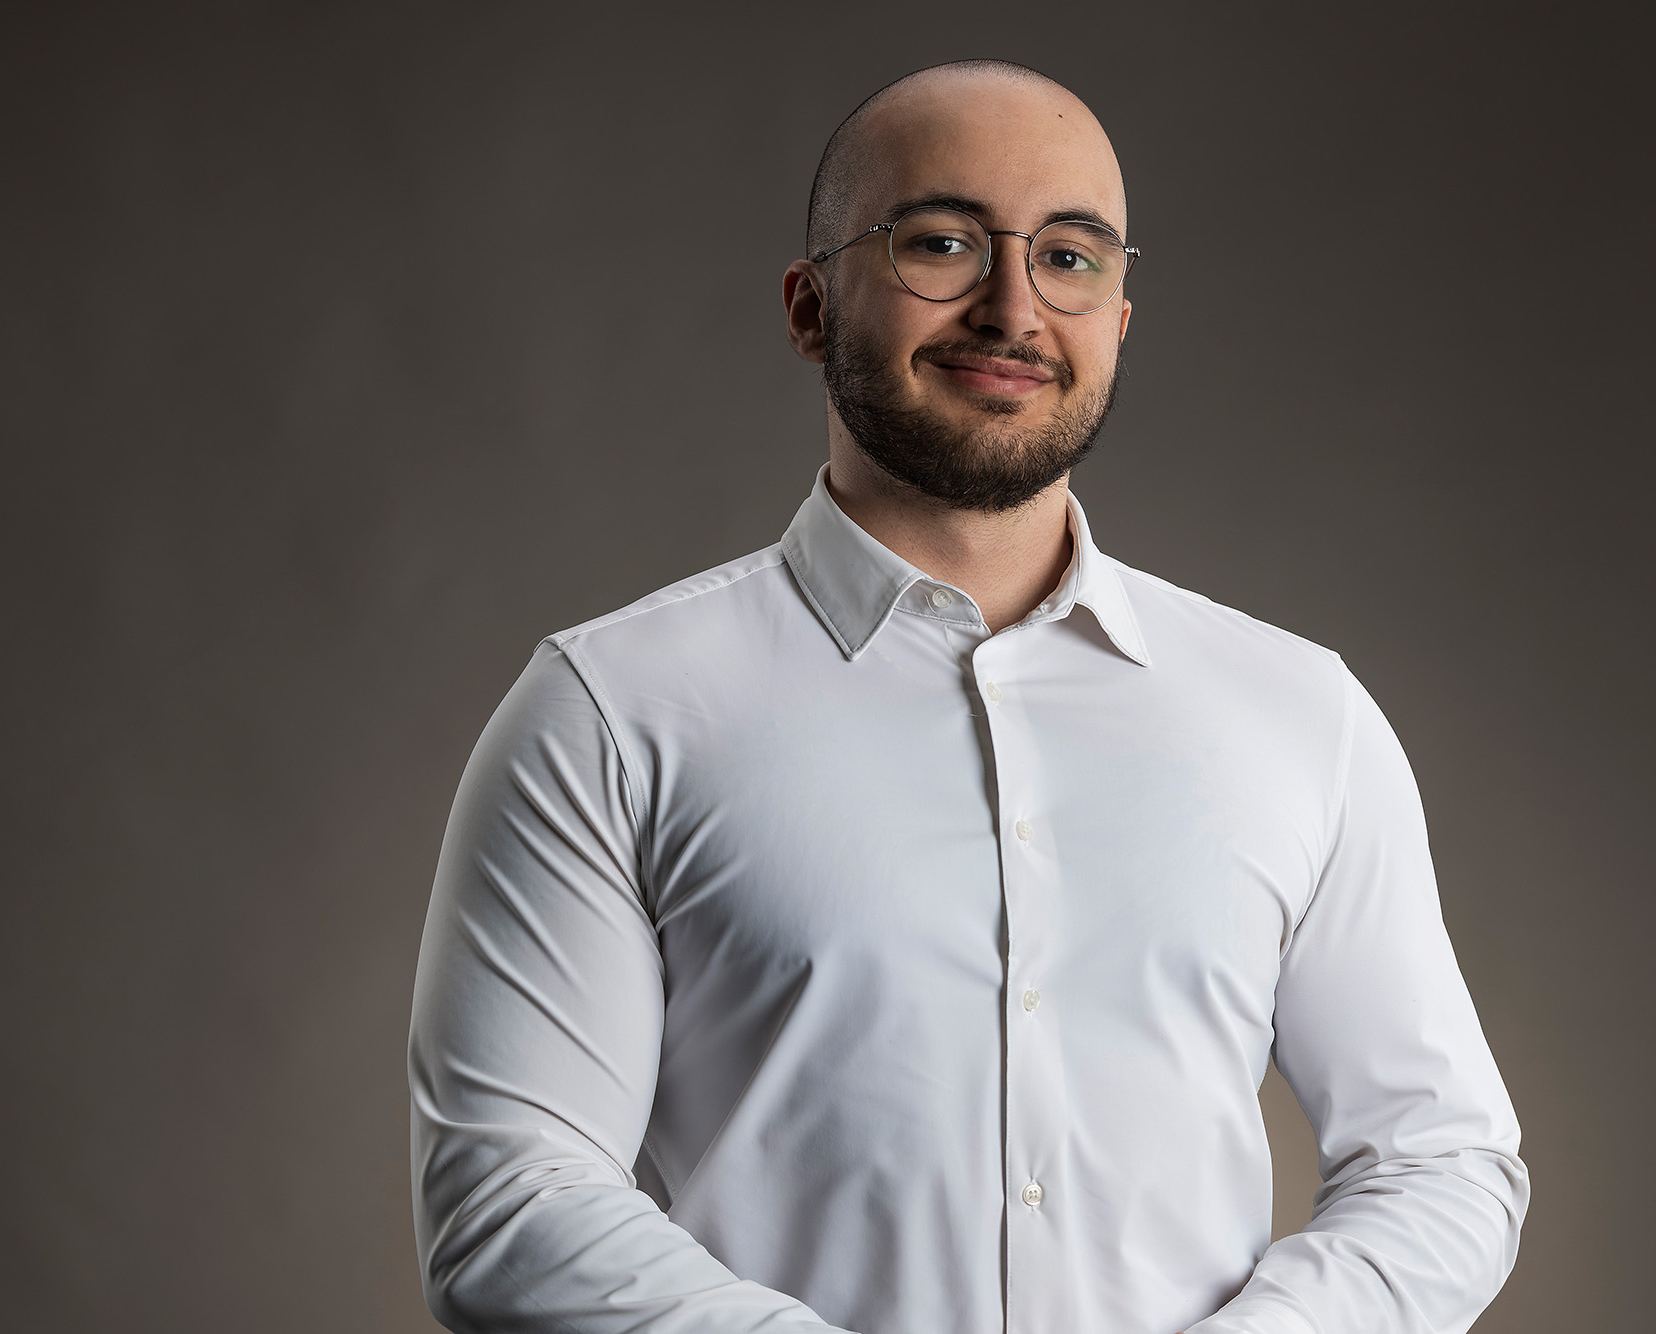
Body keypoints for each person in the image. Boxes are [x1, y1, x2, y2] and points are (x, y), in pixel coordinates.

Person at [408, 59, 1527, 1334]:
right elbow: (509, 1201)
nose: (1011, 308)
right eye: (939, 242)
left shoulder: (1299, 715)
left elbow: (1442, 1161)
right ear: (809, 306)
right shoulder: (612, 712)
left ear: (1117, 317)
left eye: (1069, 256)